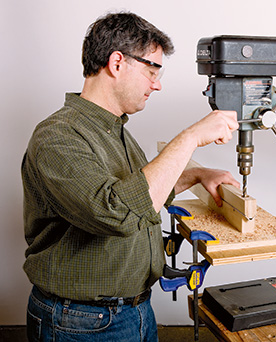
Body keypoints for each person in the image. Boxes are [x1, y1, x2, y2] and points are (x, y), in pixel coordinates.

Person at [21, 11, 239, 342]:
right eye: (152, 69)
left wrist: (196, 174)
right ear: (117, 62)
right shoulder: (58, 136)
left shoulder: (114, 128)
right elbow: (118, 212)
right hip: (81, 322)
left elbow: (141, 193)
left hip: (133, 311)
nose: (158, 83)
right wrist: (190, 137)